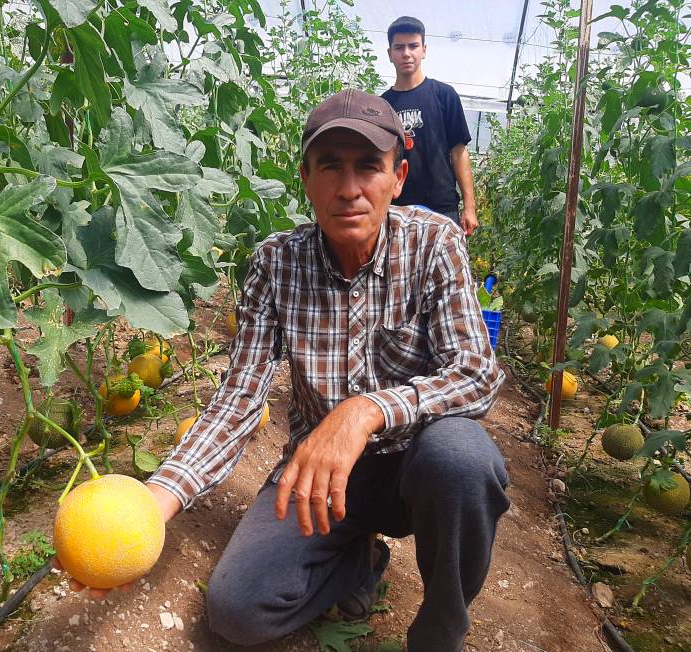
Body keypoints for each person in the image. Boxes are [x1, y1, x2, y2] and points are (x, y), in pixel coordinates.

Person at [60, 89, 509, 652]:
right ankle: (359, 560)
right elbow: (240, 397)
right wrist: (154, 502)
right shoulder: (277, 263)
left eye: (369, 166)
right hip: (319, 482)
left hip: (415, 470)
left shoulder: (433, 243)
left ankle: (441, 632)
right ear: (306, 178)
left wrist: (365, 411)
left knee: (462, 456)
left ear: (397, 178)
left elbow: (476, 372)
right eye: (331, 167)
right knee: (237, 611)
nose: (350, 189)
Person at [382, 16, 479, 237]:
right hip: (398, 209)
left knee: (446, 271)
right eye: (399, 47)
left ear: (424, 50)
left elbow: (459, 152)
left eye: (413, 46)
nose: (406, 53)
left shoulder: (444, 95)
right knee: (399, 272)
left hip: (442, 207)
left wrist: (469, 207)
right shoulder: (383, 105)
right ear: (390, 54)